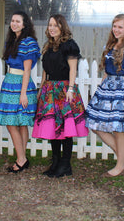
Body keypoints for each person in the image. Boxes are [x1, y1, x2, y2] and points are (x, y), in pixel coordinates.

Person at [85, 14, 124, 177]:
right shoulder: (111, 46)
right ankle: (122, 154)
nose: (116, 30)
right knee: (95, 126)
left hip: (123, 91)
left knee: (118, 129)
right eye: (115, 26)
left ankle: (119, 166)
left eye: (120, 27)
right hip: (107, 89)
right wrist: (99, 92)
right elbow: (106, 72)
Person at [32, 15, 88, 178]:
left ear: (62, 27)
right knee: (52, 129)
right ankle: (55, 162)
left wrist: (70, 88)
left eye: (55, 25)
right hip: (49, 91)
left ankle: (65, 164)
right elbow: (45, 70)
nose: (52, 28)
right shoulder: (48, 46)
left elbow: (73, 69)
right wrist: (42, 88)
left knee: (66, 129)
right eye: (50, 25)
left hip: (64, 90)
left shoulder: (69, 45)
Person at [0, 11, 40, 173]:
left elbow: (27, 70)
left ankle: (21, 158)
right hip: (9, 81)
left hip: (22, 84)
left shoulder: (29, 42)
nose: (14, 23)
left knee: (18, 122)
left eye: (18, 21)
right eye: (12, 21)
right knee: (13, 122)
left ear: (25, 24)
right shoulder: (12, 41)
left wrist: (23, 93)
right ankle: (22, 157)